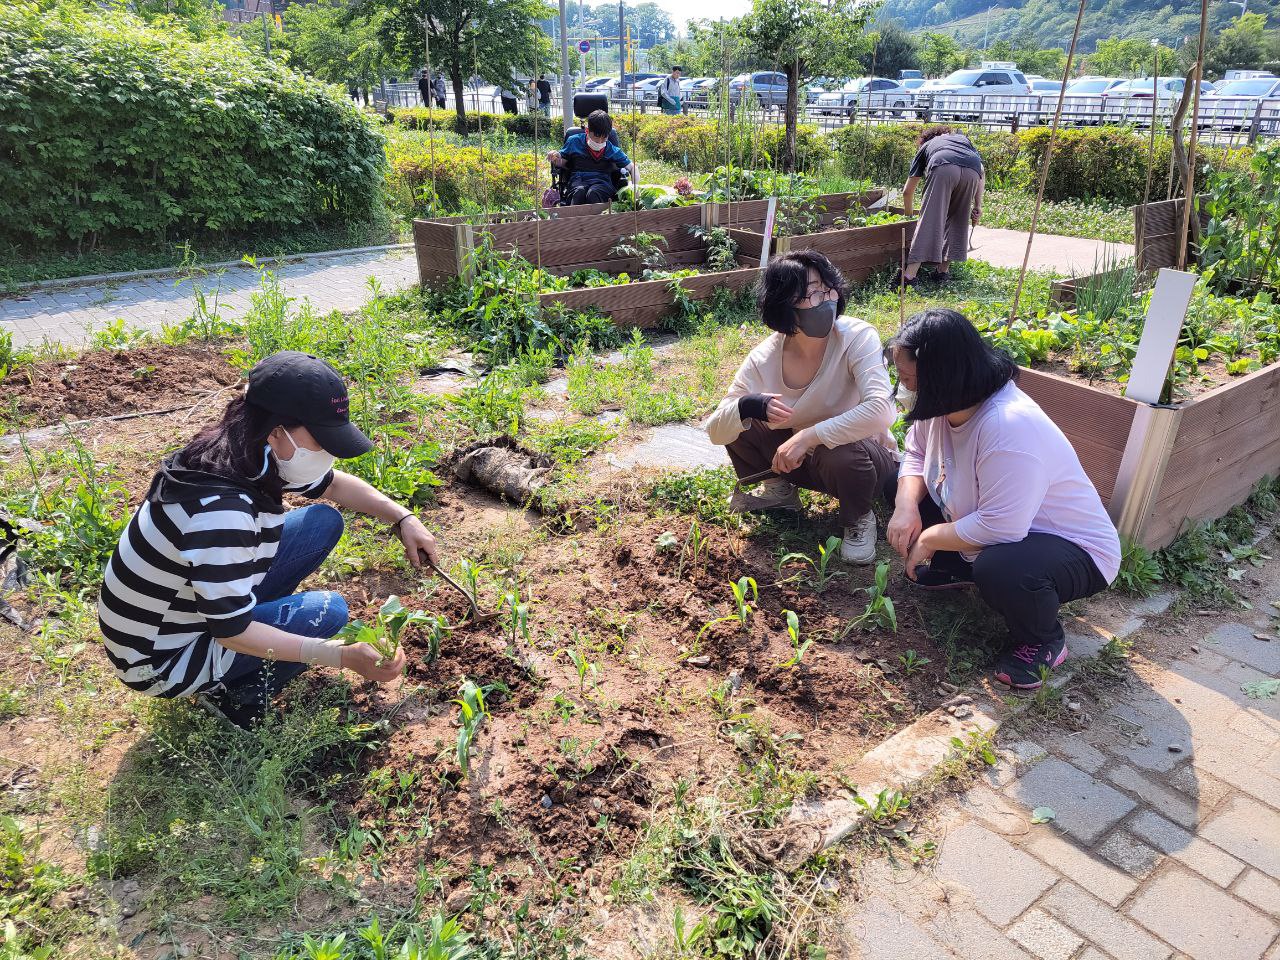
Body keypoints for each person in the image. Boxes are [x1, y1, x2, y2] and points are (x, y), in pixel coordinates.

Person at [97, 351, 441, 728]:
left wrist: (404, 517)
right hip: (161, 660)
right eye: (321, 441)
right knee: (329, 611)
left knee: (320, 521)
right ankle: (235, 695)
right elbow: (231, 631)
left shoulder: (246, 450)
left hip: (183, 612)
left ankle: (256, 634)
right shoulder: (222, 512)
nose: (327, 454)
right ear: (277, 430)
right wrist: (342, 656)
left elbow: (333, 484)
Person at [885, 308, 1121, 689]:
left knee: (1002, 567)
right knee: (896, 485)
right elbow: (914, 455)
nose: (904, 387)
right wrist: (906, 507)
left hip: (1074, 549)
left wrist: (928, 539)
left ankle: (1043, 639)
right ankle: (956, 568)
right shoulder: (942, 405)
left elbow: (1002, 526)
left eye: (909, 379)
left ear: (942, 378)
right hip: (997, 522)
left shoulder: (1007, 426)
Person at [705, 251, 897, 564]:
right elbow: (716, 430)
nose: (824, 299)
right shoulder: (763, 359)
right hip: (802, 464)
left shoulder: (855, 336)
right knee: (741, 418)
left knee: (836, 449)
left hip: (864, 462)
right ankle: (780, 493)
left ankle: (858, 518)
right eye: (809, 293)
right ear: (783, 305)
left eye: (826, 288)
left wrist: (807, 437)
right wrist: (749, 404)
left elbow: (883, 410)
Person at [900, 126, 985, 286]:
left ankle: (908, 278)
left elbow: (907, 192)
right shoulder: (963, 140)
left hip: (943, 166)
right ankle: (942, 273)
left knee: (929, 220)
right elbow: (981, 170)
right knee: (957, 221)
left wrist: (908, 216)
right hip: (972, 171)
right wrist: (978, 205)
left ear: (925, 139)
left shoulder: (926, 146)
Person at [547, 110, 637, 206]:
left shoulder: (612, 149)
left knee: (593, 193)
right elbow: (561, 163)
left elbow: (633, 167)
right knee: (579, 192)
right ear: (587, 131)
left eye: (604, 138)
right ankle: (575, 220)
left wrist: (636, 187)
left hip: (602, 183)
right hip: (578, 181)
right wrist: (555, 158)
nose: (600, 142)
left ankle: (598, 220)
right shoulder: (574, 141)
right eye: (596, 137)